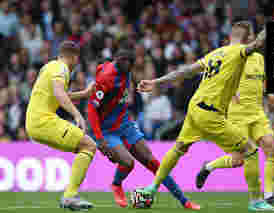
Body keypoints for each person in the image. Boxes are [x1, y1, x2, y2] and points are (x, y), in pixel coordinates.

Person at [135, 20, 274, 211]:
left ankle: (151, 188)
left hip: (195, 107)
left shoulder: (216, 53)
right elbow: (259, 43)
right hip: (211, 113)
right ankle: (256, 202)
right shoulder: (239, 51)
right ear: (248, 38)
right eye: (251, 36)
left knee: (179, 148)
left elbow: (186, 71)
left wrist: (156, 81)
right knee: (250, 151)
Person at [73, 48, 200, 210]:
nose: (127, 65)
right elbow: (91, 108)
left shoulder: (127, 71)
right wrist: (100, 139)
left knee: (154, 163)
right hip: (107, 130)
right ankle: (116, 184)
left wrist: (140, 86)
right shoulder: (106, 78)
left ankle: (184, 201)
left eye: (130, 62)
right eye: (123, 61)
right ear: (118, 60)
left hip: (125, 124)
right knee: (128, 162)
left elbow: (118, 85)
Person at [196, 1, 274, 206]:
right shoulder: (233, 56)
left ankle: (268, 194)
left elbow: (262, 82)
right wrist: (230, 93)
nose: (253, 37)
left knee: (270, 147)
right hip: (237, 114)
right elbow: (218, 80)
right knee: (239, 159)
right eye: (251, 34)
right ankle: (208, 166)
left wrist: (270, 97)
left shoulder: (258, 59)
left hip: (257, 113)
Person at [26, 41, 96, 211]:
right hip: (43, 121)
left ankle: (70, 196)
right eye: (77, 59)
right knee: (89, 145)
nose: (77, 63)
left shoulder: (49, 66)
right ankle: (70, 196)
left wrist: (84, 94)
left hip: (34, 122)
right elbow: (58, 92)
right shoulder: (62, 69)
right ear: (73, 57)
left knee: (86, 146)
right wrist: (77, 114)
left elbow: (57, 95)